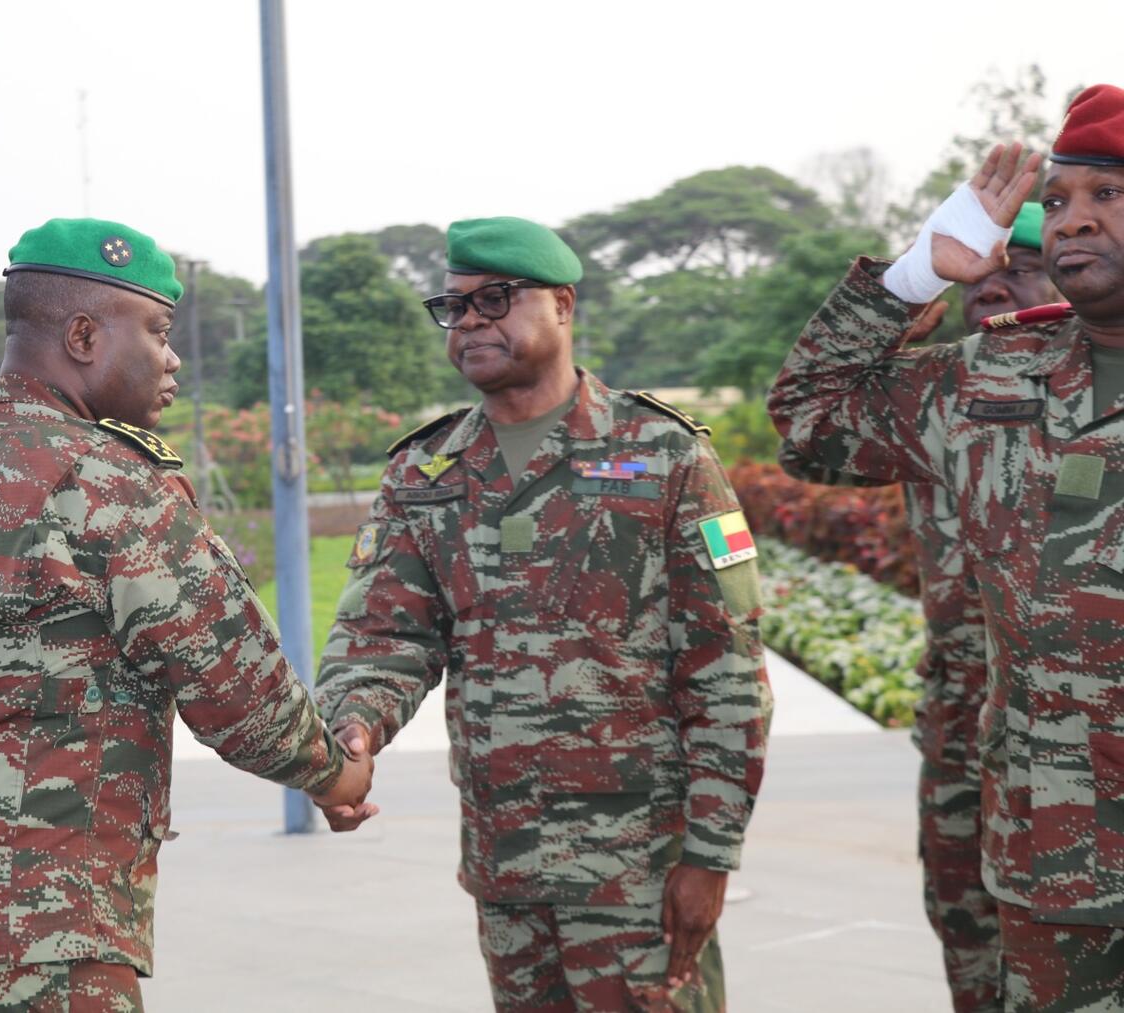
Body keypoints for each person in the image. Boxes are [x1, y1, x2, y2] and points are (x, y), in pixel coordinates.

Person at [0, 218, 372, 1012]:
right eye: (158, 330)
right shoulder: (110, 484)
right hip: (37, 924)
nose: (172, 358)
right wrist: (335, 772)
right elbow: (236, 687)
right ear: (84, 336)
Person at [313, 217, 772, 1011]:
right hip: (506, 861)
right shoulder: (426, 471)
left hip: (638, 868)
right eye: (454, 306)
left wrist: (711, 853)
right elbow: (384, 635)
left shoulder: (664, 453)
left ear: (562, 304)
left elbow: (725, 667)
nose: (470, 322)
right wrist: (350, 728)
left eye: (494, 299)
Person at [769, 85, 1124, 1011]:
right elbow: (809, 418)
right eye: (1060, 199)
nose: (1073, 220)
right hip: (1051, 853)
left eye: (1107, 195)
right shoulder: (989, 377)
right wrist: (914, 278)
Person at [778, 204, 1061, 1013]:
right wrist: (906, 288)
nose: (993, 286)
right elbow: (808, 431)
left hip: (1086, 753)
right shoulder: (949, 394)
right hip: (964, 740)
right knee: (972, 949)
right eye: (982, 272)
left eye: (1022, 269)